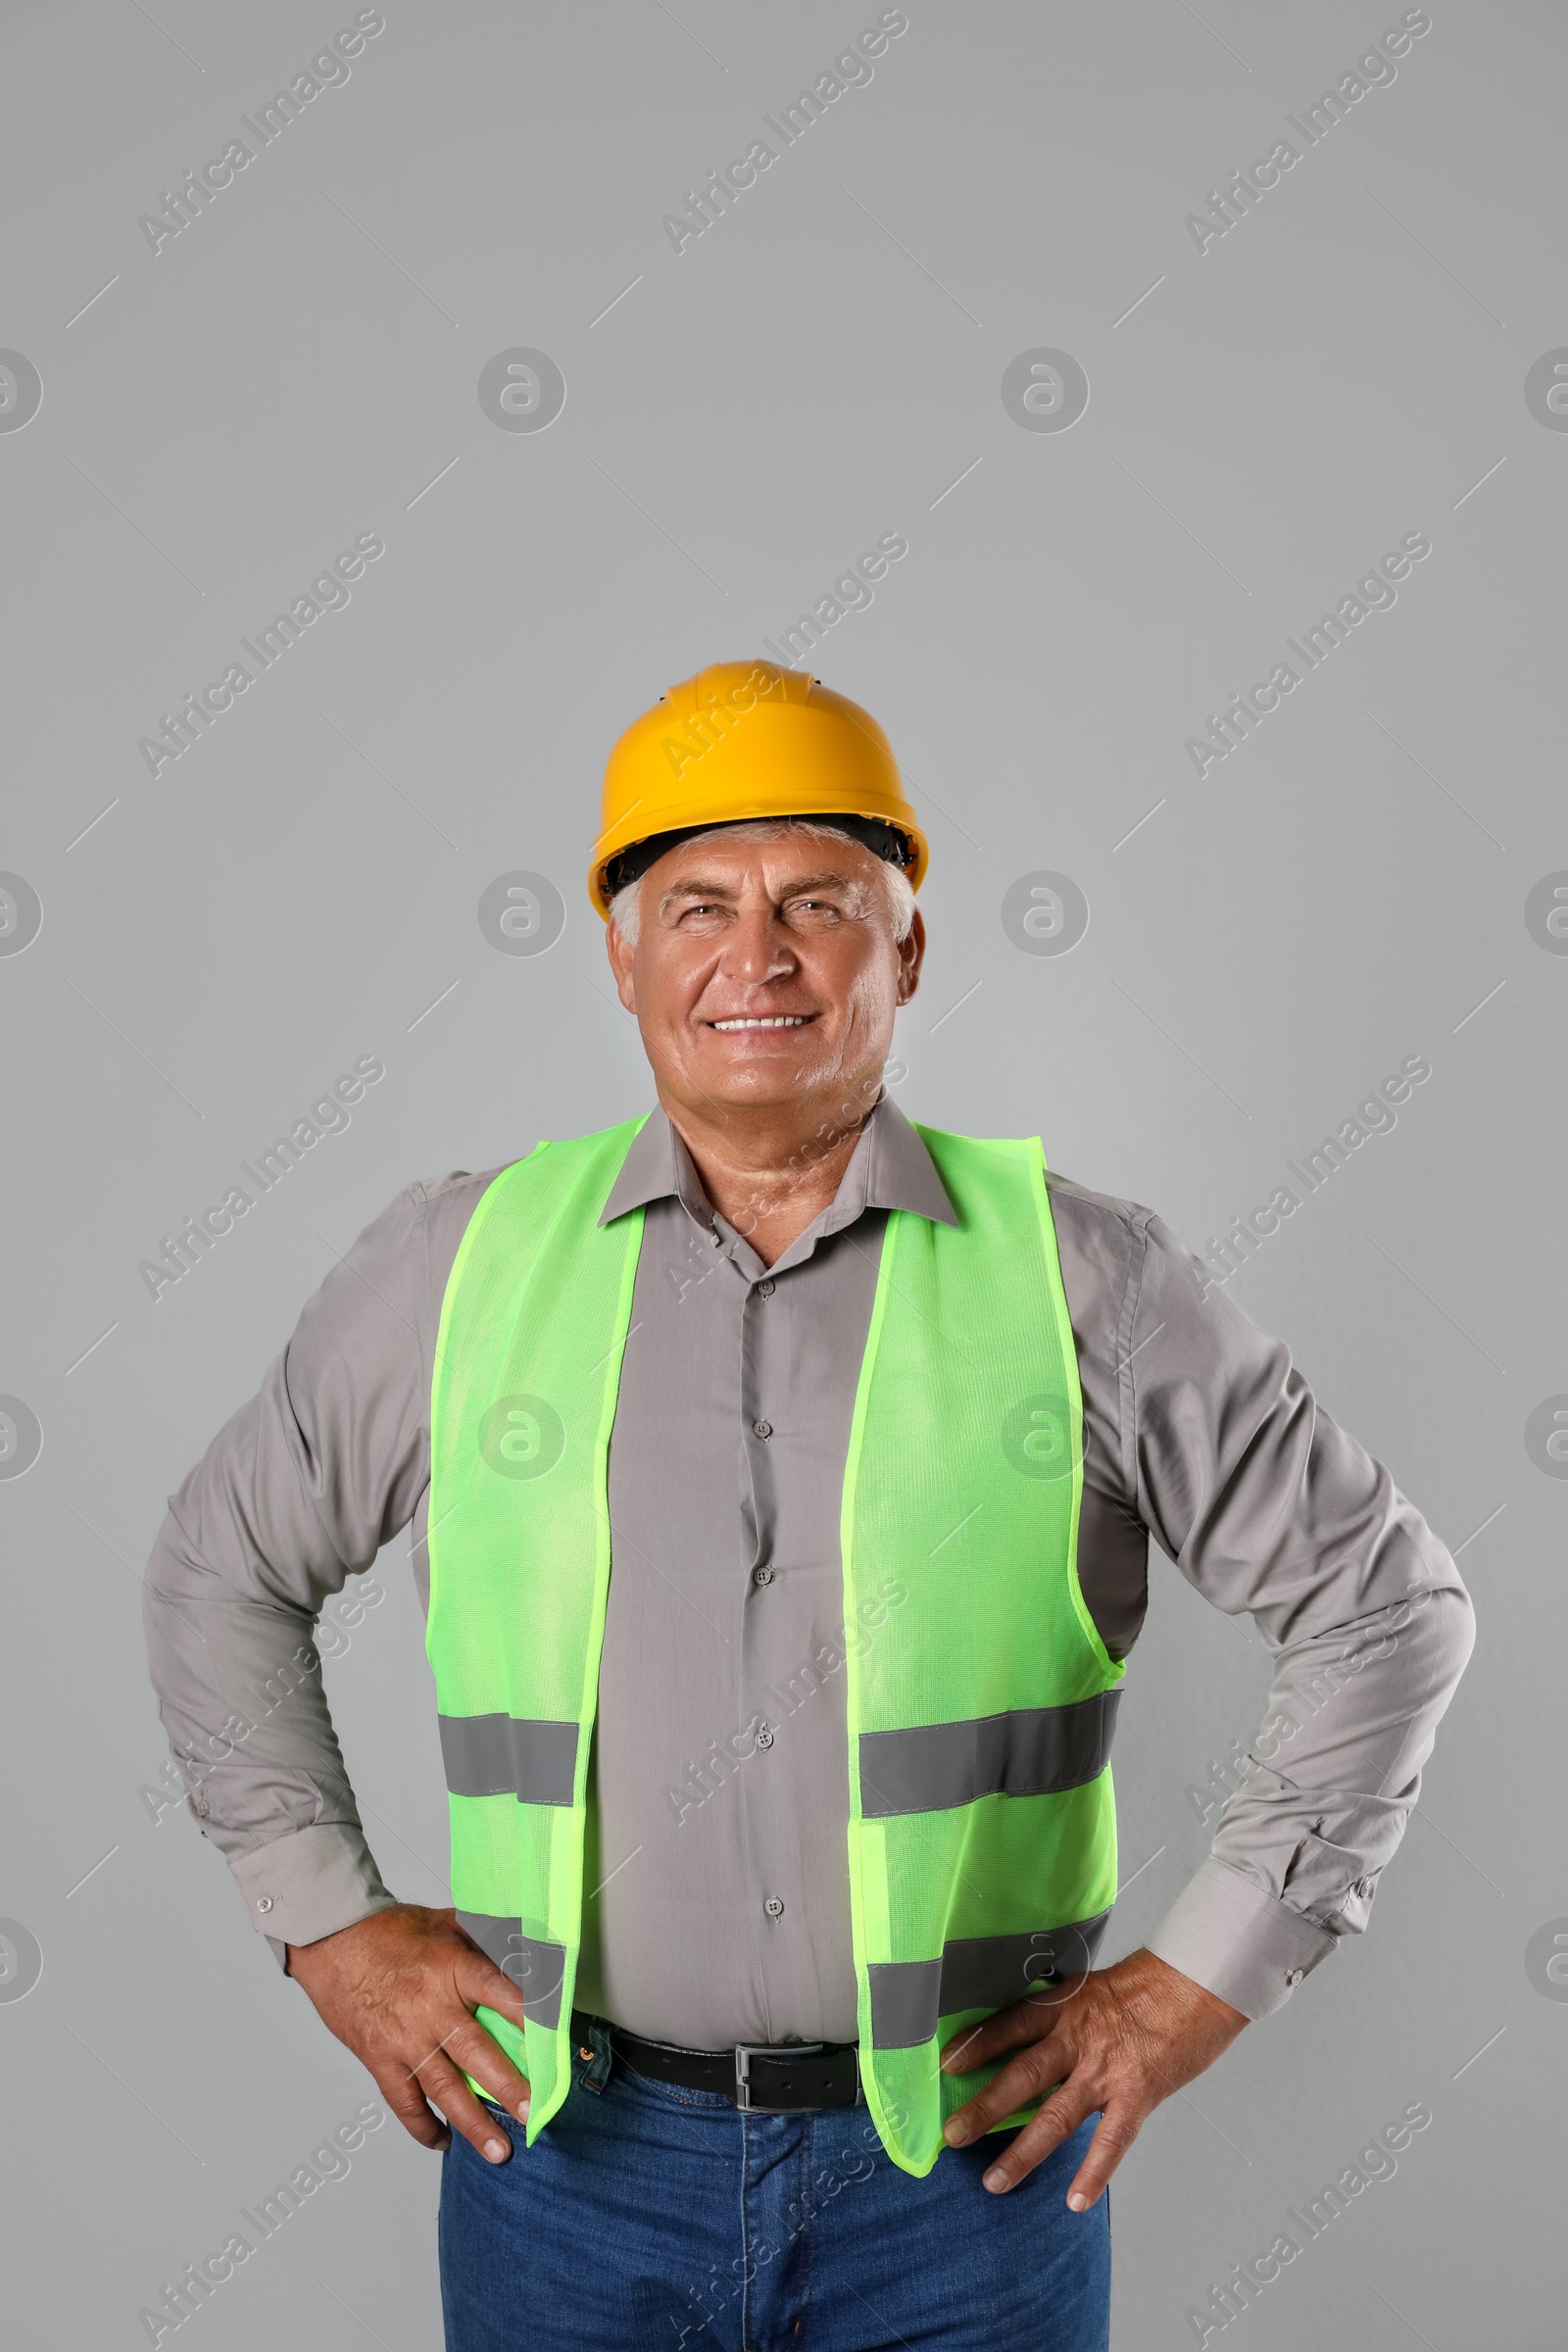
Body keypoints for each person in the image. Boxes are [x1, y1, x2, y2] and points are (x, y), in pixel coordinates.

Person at [142, 659, 1475, 2351]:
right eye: (696, 905)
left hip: (961, 2193)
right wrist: (324, 1920)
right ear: (623, 957)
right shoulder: (456, 1268)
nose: (755, 958)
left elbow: (1388, 1608)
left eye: (817, 904)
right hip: (565, 2164)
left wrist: (1190, 1991)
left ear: (903, 949)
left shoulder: (1088, 1281)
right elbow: (216, 1570)